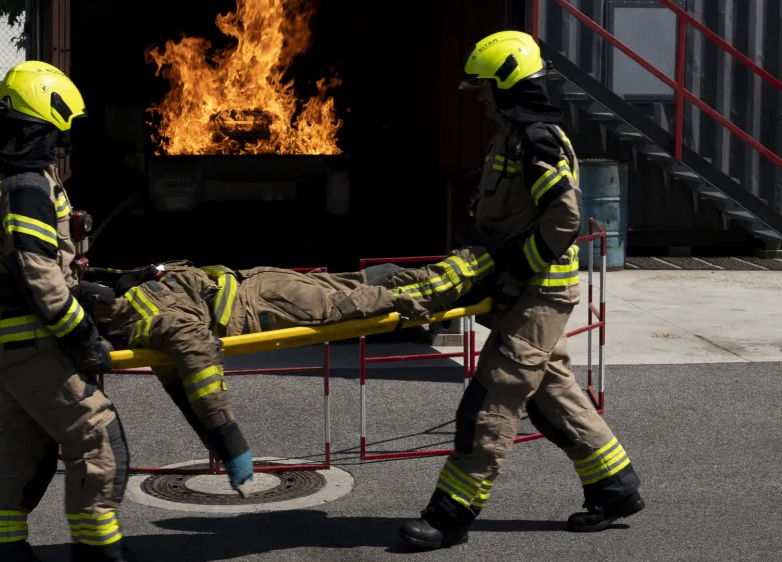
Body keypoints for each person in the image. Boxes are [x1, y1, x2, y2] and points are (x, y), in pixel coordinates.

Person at [396, 31, 645, 551]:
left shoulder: (537, 139)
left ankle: (449, 516)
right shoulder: (514, 133)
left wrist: (517, 265)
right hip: (527, 293)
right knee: (553, 392)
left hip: (538, 296)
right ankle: (615, 487)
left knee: (493, 399)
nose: (480, 96)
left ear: (509, 83)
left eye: (485, 87)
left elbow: (565, 217)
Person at [81, 247, 496, 489]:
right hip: (264, 286)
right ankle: (471, 267)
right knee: (363, 286)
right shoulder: (134, 295)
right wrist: (216, 442)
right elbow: (180, 381)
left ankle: (467, 268)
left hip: (265, 306)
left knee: (383, 302)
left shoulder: (140, 320)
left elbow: (196, 355)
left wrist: (231, 442)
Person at [0, 61, 133, 562]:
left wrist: (97, 283)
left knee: (23, 440)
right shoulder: (26, 189)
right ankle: (100, 555)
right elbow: (41, 282)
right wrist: (86, 339)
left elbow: (41, 267)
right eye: (63, 133)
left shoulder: (7, 177)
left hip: (5, 340)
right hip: (30, 341)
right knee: (97, 439)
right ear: (44, 128)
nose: (67, 145)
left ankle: (1, 551)